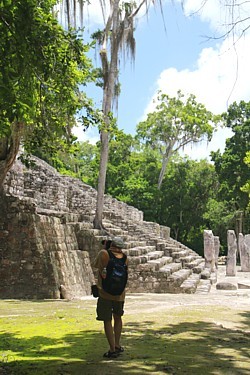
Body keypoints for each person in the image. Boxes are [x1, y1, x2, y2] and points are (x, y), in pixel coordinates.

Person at [93, 236, 128, 359]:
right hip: (120, 295)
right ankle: (117, 344)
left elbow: (95, 265)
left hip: (105, 293)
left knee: (107, 320)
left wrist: (104, 248)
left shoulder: (104, 254)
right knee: (118, 318)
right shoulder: (125, 258)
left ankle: (112, 349)